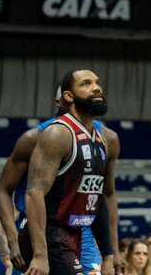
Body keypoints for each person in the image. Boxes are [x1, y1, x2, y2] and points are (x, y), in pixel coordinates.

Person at [0, 90, 108, 275]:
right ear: (63, 100)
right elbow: (4, 190)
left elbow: (102, 196)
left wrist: (110, 252)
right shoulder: (35, 138)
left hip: (79, 227)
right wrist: (12, 242)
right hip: (40, 227)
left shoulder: (102, 137)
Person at [22, 70, 121, 275]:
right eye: (86, 83)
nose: (96, 87)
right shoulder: (58, 133)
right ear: (68, 96)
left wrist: (109, 255)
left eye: (97, 83)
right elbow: (34, 193)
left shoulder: (101, 139)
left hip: (74, 235)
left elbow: (98, 197)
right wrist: (41, 255)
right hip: (50, 236)